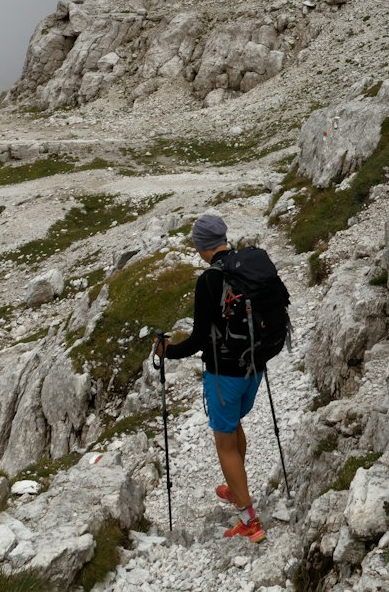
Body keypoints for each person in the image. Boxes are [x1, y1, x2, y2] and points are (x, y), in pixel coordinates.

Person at [155, 212, 266, 542]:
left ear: (202, 245)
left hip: (223, 375)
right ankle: (236, 488)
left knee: (224, 443)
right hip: (255, 367)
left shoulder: (209, 281)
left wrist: (167, 351)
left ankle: (249, 520)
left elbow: (199, 340)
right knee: (234, 427)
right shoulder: (249, 265)